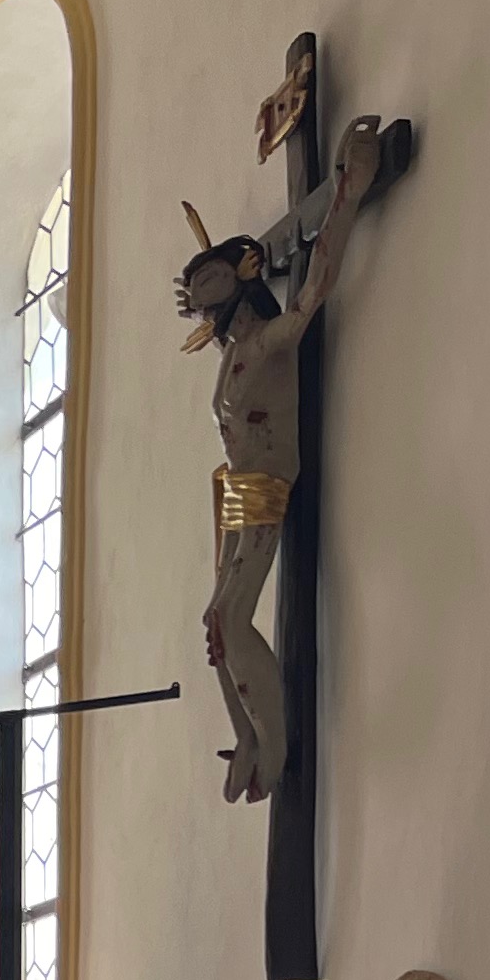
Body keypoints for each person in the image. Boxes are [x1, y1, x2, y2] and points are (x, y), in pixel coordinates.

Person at [179, 110, 397, 801]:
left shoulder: (270, 342)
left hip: (271, 480)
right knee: (216, 620)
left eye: (209, 280)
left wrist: (346, 194)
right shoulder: (234, 354)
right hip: (242, 488)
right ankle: (245, 734)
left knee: (236, 617)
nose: (199, 295)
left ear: (242, 273)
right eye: (195, 289)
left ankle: (273, 745)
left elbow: (315, 290)